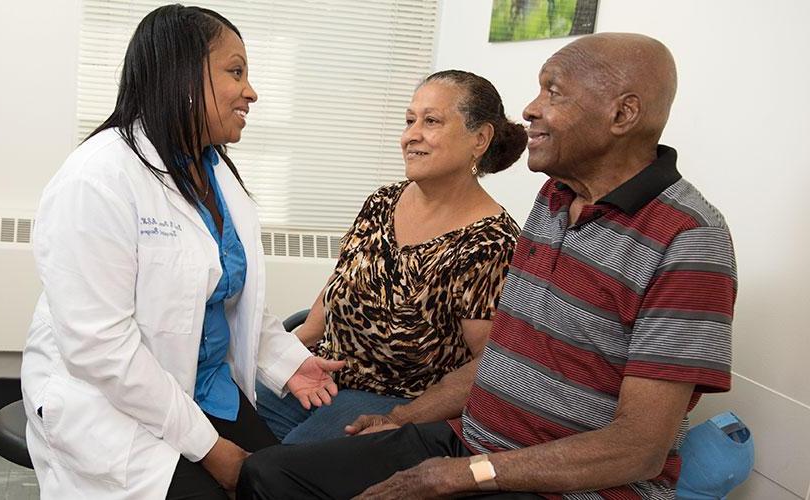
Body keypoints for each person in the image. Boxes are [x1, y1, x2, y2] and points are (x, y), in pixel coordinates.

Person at [238, 32, 737, 500]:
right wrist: (402, 418)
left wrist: (468, 473)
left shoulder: (689, 240)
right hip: (471, 442)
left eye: (554, 93)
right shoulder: (555, 199)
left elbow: (640, 449)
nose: (530, 109)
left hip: (562, 484)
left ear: (622, 114)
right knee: (266, 475)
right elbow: (500, 356)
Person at [20, 5, 342, 499]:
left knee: (279, 487)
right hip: (112, 406)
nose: (251, 91)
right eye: (235, 72)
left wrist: (288, 361)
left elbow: (233, 297)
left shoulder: (215, 174)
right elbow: (100, 347)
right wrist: (209, 448)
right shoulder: (97, 179)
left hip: (203, 387)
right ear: (182, 74)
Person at [255, 70, 527, 444]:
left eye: (431, 121)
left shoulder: (492, 243)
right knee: (226, 426)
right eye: (409, 120)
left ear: (479, 139)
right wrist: (292, 348)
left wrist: (403, 418)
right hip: (325, 368)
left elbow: (488, 365)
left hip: (391, 398)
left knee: (277, 472)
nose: (411, 135)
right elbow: (341, 282)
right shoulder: (382, 201)